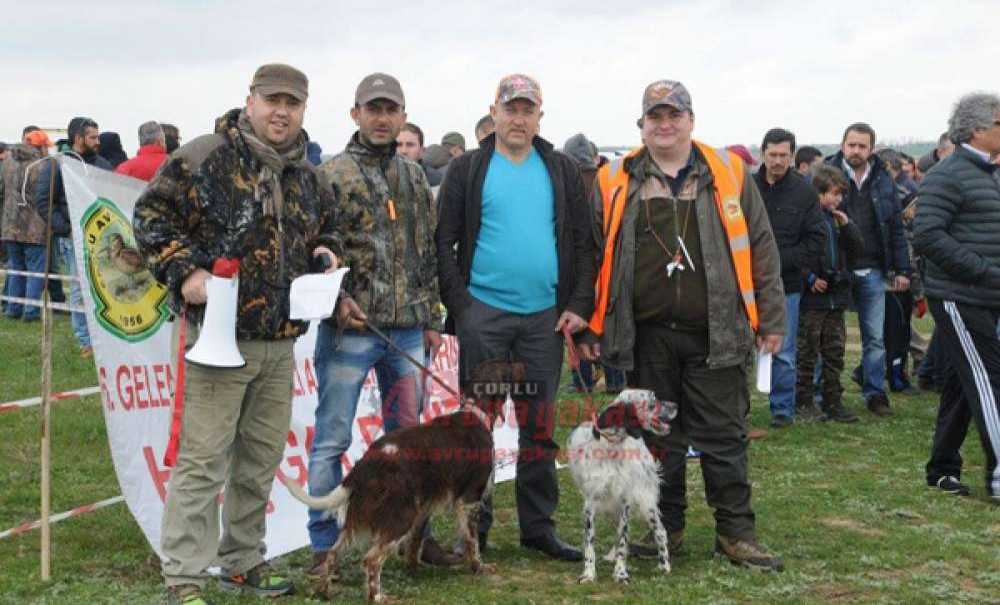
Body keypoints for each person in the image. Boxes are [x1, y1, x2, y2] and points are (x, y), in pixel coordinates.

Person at [133, 63, 340, 604]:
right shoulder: (206, 155)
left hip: (281, 342)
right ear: (249, 100)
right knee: (203, 462)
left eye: (292, 103)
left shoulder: (307, 173)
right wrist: (186, 272)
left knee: (260, 459)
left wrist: (324, 253)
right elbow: (151, 216)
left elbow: (326, 228)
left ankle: (243, 562)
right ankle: (184, 577)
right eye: (272, 99)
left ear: (303, 110)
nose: (281, 111)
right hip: (220, 342)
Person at [580, 80, 786, 570]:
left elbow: (761, 247)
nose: (664, 124)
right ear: (642, 125)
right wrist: (591, 325)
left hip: (717, 332)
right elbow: (592, 256)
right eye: (655, 117)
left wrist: (772, 317)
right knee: (655, 442)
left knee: (723, 436)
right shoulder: (615, 178)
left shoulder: (730, 172)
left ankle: (736, 533)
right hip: (643, 335)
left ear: (691, 120)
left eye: (674, 115)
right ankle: (663, 527)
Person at [436, 73, 594, 561]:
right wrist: (462, 307)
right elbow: (444, 242)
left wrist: (577, 306)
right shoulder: (468, 169)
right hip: (484, 312)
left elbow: (585, 244)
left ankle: (538, 528)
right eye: (511, 109)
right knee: (477, 427)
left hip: (544, 319)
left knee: (539, 425)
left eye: (528, 110)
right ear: (495, 113)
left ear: (539, 116)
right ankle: (474, 530)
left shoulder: (561, 169)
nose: (519, 118)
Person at [308, 72, 450, 592]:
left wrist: (433, 318)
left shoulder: (415, 176)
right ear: (356, 114)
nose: (383, 118)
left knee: (410, 446)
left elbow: (429, 250)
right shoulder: (330, 174)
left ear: (403, 115)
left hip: (409, 330)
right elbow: (316, 245)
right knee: (332, 440)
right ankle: (324, 550)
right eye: (373, 109)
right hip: (352, 329)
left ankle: (409, 539)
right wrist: (336, 298)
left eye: (391, 109)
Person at [914, 92, 1000, 500]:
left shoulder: (988, 172)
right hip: (961, 295)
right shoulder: (948, 174)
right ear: (979, 129)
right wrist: (983, 271)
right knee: (989, 379)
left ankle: (943, 467)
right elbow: (928, 235)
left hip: (986, 294)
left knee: (962, 382)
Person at [825, 123, 910, 417]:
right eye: (851, 145)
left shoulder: (884, 178)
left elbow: (896, 227)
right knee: (829, 337)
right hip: (838, 269)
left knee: (875, 337)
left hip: (873, 268)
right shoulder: (827, 175)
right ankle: (826, 394)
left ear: (871, 148)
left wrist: (903, 269)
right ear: (842, 144)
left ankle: (875, 392)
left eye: (862, 146)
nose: (856, 151)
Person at [754, 128, 824, 426]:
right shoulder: (747, 186)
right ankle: (734, 410)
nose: (778, 161)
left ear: (792, 156)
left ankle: (782, 410)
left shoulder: (804, 191)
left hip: (787, 283)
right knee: (737, 349)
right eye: (773, 154)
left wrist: (781, 262)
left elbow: (816, 238)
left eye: (784, 155)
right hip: (745, 283)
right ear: (763, 154)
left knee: (782, 349)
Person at [35, 117, 113, 357]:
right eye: (92, 137)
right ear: (78, 138)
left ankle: (106, 336)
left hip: (101, 235)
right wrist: (64, 227)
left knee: (105, 287)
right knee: (80, 289)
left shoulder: (102, 164)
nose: (97, 142)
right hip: (72, 236)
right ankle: (85, 341)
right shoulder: (58, 165)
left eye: (98, 136)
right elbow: (43, 201)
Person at [796, 165, 862, 423]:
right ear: (818, 192)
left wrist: (848, 227)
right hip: (813, 299)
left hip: (837, 297)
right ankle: (803, 402)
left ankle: (833, 401)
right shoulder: (806, 218)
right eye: (831, 193)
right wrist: (809, 277)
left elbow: (857, 250)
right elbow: (795, 252)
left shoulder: (838, 220)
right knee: (808, 351)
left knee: (835, 352)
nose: (835, 199)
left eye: (839, 195)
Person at [1, 130, 51, 321]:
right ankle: (31, 311)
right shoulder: (44, 166)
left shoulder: (7, 163)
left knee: (15, 269)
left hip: (10, 226)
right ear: (41, 147)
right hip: (35, 228)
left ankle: (14, 308)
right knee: (35, 270)